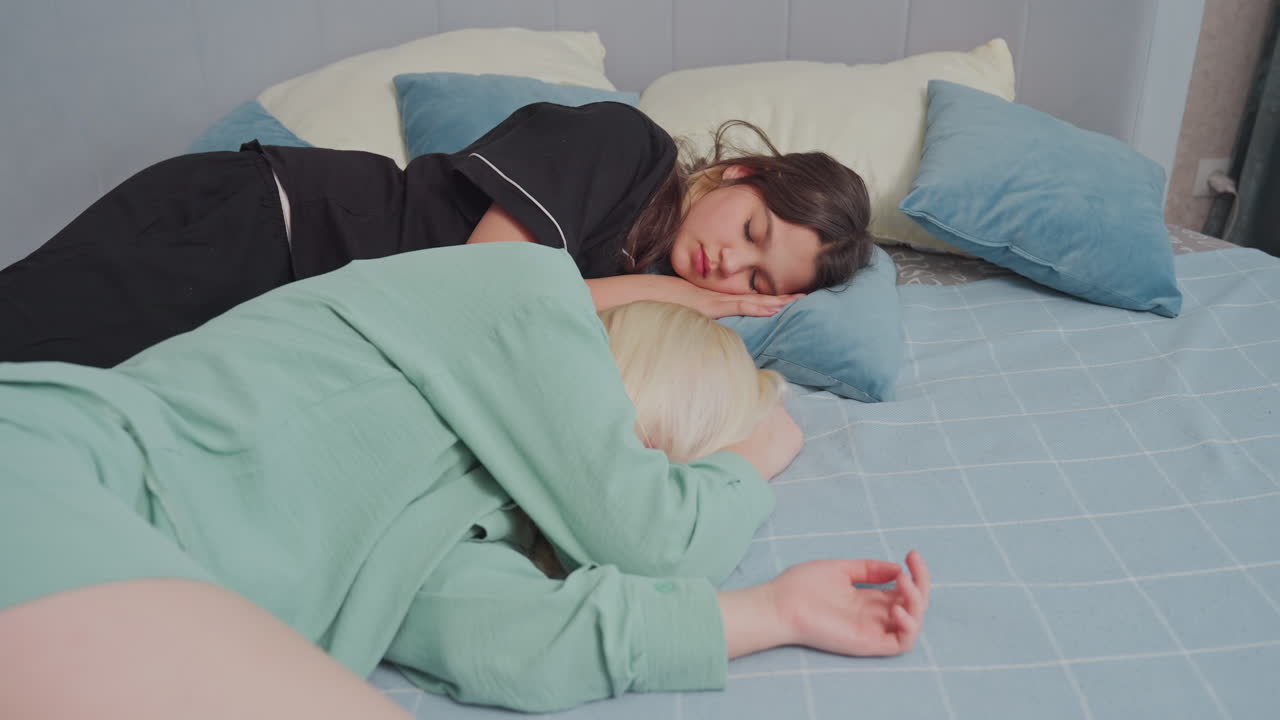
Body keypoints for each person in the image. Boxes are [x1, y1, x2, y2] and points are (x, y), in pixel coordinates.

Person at [0, 242, 927, 718]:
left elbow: (519, 644)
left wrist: (778, 612)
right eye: (660, 462)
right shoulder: (526, 296)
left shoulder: (474, 509)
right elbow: (651, 536)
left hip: (146, 579)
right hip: (57, 469)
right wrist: (750, 461)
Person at [0, 101, 873, 368]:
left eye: (760, 282)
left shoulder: (644, 289)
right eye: (753, 231)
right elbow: (480, 282)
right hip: (261, 225)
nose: (732, 266)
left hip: (286, 309)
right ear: (734, 176)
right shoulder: (629, 149)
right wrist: (663, 293)